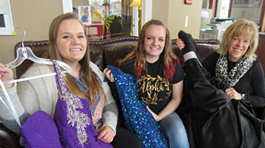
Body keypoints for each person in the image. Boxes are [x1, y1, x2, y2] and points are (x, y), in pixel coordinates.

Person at [0, 13, 142, 148]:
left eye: (80, 36)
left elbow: (110, 104)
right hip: (67, 141)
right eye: (67, 36)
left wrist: (109, 125)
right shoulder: (39, 75)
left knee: (134, 144)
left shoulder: (93, 69)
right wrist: (7, 87)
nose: (75, 42)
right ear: (54, 41)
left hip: (100, 134)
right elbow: (21, 125)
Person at [176, 19, 265, 148]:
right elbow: (198, 76)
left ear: (250, 44)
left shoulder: (254, 66)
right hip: (212, 112)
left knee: (221, 98)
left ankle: (190, 55)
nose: (240, 44)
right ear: (228, 39)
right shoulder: (216, 57)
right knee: (211, 89)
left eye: (246, 41)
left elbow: (262, 99)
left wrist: (241, 96)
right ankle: (190, 54)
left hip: (237, 116)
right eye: (236, 38)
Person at [104, 19, 190, 148]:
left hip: (166, 113)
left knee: (179, 132)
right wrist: (115, 82)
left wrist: (158, 116)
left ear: (165, 42)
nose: (156, 43)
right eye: (150, 38)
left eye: (161, 39)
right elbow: (125, 100)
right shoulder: (128, 65)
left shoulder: (174, 66)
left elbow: (177, 98)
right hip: (138, 117)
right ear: (142, 40)